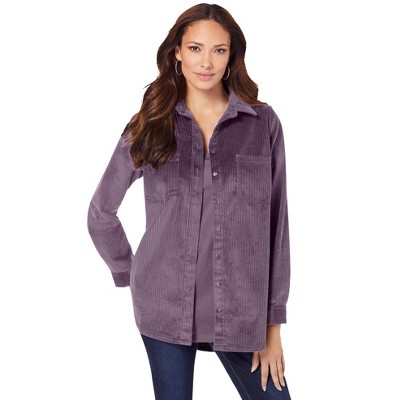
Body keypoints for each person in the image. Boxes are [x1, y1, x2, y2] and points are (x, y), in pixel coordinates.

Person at [87, 3, 292, 399]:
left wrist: (273, 327)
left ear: (232, 56)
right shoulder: (150, 124)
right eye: (196, 48)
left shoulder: (262, 124)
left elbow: (277, 229)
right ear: (177, 52)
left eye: (219, 50)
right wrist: (131, 272)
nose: (206, 62)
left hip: (242, 312)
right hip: (164, 308)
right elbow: (100, 213)